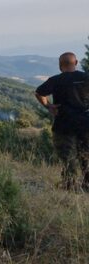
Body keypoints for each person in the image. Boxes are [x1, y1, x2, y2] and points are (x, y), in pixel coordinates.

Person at [35, 52, 89, 191]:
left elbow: (39, 92)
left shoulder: (55, 80)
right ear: (76, 63)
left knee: (67, 159)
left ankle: (70, 187)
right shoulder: (86, 78)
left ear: (60, 66)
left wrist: (48, 106)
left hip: (63, 125)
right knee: (86, 157)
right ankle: (87, 186)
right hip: (85, 124)